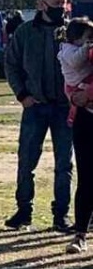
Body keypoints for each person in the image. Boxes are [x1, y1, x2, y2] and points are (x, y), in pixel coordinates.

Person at [4, 0, 74, 232]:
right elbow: (11, 64)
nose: (60, 9)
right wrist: (22, 95)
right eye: (55, 4)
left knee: (64, 163)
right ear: (41, 4)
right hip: (35, 106)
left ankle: (61, 215)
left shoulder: (72, 31)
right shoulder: (25, 32)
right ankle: (24, 211)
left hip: (65, 107)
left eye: (62, 4)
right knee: (26, 161)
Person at [56, 17, 93, 253]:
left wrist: (88, 91)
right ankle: (80, 232)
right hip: (85, 116)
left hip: (84, 105)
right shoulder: (71, 51)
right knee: (87, 176)